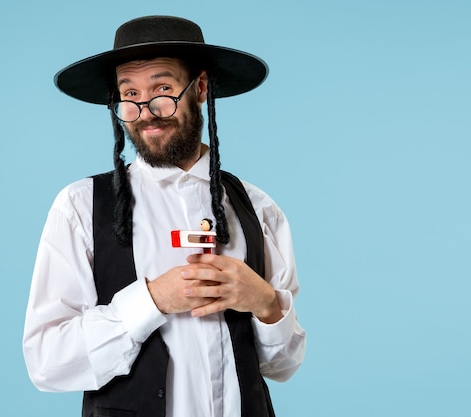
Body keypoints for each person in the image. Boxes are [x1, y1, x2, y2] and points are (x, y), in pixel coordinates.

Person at [23, 15, 306, 417]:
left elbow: (283, 366)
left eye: (163, 89)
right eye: (130, 93)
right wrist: (152, 301)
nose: (146, 111)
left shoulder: (259, 209)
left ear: (201, 89)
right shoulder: (79, 207)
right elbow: (47, 362)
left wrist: (265, 303)